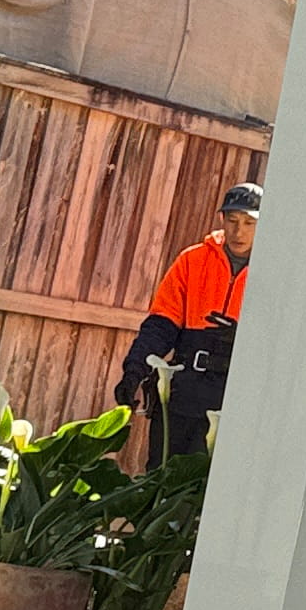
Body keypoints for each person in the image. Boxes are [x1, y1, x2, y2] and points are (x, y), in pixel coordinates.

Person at [120, 181, 256, 461]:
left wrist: (246, 338)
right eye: (232, 220)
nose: (239, 231)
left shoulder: (275, 272)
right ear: (222, 219)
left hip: (233, 399)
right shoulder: (192, 261)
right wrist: (133, 371)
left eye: (248, 223)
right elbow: (160, 325)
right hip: (182, 395)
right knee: (161, 480)